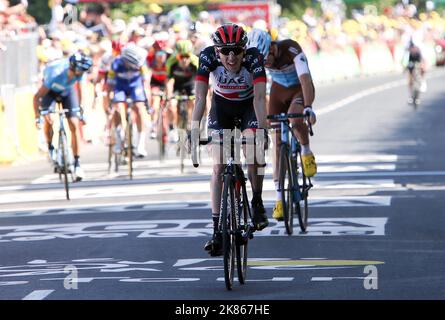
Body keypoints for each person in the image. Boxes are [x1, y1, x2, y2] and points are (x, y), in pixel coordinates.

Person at [191, 23, 269, 256]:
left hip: (248, 108)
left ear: (245, 50)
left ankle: (256, 201)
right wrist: (194, 131)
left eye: (236, 50)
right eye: (225, 51)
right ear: (217, 52)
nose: (231, 57)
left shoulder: (254, 58)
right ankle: (216, 230)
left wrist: (263, 131)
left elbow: (260, 98)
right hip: (221, 109)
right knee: (217, 166)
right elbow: (200, 98)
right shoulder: (207, 57)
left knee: (253, 150)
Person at [246, 29, 317, 222]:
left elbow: (305, 80)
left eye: (266, 59)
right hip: (278, 92)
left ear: (272, 47)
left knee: (295, 120)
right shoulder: (259, 58)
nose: (265, 64)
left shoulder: (291, 49)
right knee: (277, 146)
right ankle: (279, 199)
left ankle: (305, 151)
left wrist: (308, 107)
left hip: (298, 91)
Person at [33, 52, 93, 181]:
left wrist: (80, 110)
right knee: (49, 119)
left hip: (68, 92)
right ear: (72, 68)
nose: (80, 75)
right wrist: (38, 117)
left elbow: (81, 92)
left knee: (74, 124)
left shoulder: (79, 72)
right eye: (79, 72)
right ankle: (50, 147)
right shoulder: (55, 74)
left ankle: (77, 163)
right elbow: (37, 97)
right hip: (50, 93)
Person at [107, 43, 150, 157]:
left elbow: (145, 83)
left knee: (139, 109)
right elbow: (110, 84)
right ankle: (119, 138)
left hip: (135, 86)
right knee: (118, 109)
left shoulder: (141, 64)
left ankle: (140, 144)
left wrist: (147, 100)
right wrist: (110, 99)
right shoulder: (116, 63)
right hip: (120, 87)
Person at [165, 39, 199, 142]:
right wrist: (169, 96)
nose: (184, 60)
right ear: (177, 55)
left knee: (193, 101)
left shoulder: (195, 62)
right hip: (177, 85)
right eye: (181, 57)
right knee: (172, 105)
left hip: (190, 83)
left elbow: (200, 81)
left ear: (191, 55)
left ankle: (190, 122)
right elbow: (169, 81)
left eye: (187, 57)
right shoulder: (171, 62)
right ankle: (172, 129)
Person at [405, 39, 426, 104]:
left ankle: (422, 81)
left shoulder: (418, 51)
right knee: (410, 80)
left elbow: (422, 61)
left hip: (418, 64)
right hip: (411, 64)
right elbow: (405, 61)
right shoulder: (408, 51)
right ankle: (411, 96)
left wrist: (422, 68)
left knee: (421, 74)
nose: (411, 49)